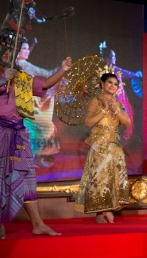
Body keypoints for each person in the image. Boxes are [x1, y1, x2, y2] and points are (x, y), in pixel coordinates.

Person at [0, 48, 71, 239]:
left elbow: (45, 84)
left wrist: (63, 69)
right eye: (4, 50)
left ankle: (38, 223)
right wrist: (3, 79)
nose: (8, 54)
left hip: (19, 134)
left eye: (10, 51)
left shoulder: (21, 78)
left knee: (26, 178)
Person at [74, 72, 131, 223]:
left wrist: (115, 111)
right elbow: (88, 122)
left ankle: (109, 208)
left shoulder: (118, 105)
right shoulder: (96, 100)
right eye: (110, 83)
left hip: (114, 144)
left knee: (113, 177)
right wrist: (104, 110)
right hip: (99, 143)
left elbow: (127, 123)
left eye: (115, 84)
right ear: (102, 84)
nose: (113, 86)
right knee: (99, 177)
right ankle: (100, 212)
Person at [16, 38, 61, 167]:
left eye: (27, 49)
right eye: (23, 49)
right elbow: (46, 73)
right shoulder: (24, 65)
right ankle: (35, 156)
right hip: (23, 102)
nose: (26, 51)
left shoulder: (16, 64)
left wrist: (32, 45)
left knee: (31, 129)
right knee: (45, 127)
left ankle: (33, 157)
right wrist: (60, 71)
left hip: (24, 100)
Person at [100, 43, 141, 142]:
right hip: (110, 102)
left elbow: (126, 73)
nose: (114, 58)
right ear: (107, 57)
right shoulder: (103, 72)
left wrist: (135, 75)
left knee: (127, 118)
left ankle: (123, 141)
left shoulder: (116, 69)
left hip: (122, 100)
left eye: (114, 56)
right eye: (112, 56)